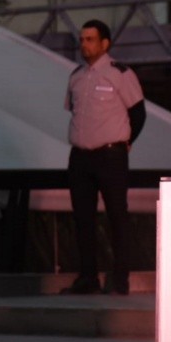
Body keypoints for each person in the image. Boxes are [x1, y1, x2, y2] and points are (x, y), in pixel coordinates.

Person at [60, 19, 146, 295]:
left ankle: (120, 279)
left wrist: (127, 141)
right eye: (82, 39)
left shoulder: (120, 73)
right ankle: (88, 277)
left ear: (104, 43)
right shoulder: (76, 76)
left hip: (111, 155)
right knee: (82, 219)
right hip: (81, 157)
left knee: (117, 217)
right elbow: (73, 110)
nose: (84, 44)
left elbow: (138, 113)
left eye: (90, 39)